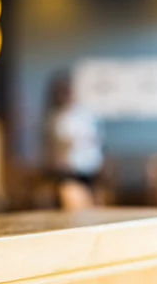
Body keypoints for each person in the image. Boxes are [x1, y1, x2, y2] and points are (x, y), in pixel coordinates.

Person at [44, 71, 104, 210]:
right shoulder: (58, 118)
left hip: (89, 168)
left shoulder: (86, 114)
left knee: (90, 206)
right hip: (69, 170)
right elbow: (62, 143)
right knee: (73, 203)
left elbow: (96, 139)